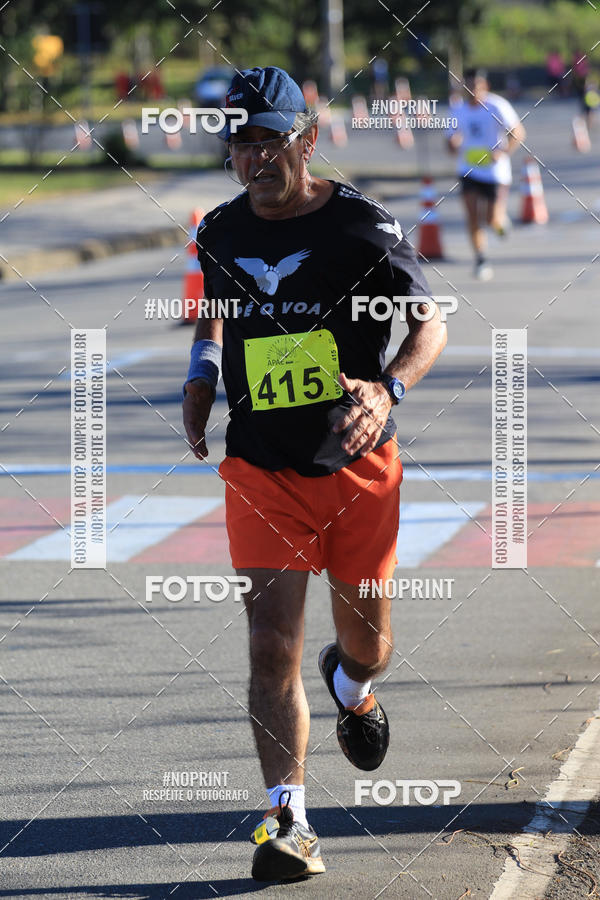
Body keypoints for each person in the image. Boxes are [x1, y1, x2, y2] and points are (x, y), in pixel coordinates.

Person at [182, 65, 447, 882]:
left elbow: (430, 320)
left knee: (370, 643)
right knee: (270, 649)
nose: (257, 158)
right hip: (261, 470)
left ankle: (354, 684)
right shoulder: (221, 231)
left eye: (272, 140)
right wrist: (199, 379)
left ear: (308, 140)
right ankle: (287, 819)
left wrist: (390, 385)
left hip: (357, 469)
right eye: (242, 144)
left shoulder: (363, 227)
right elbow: (214, 316)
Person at [447, 68, 525, 281]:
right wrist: (453, 145)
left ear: (485, 87)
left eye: (476, 86)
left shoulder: (497, 106)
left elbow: (518, 133)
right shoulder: (458, 110)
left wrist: (503, 152)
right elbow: (450, 142)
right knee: (472, 216)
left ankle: (500, 224)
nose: (473, 91)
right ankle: (480, 259)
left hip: (495, 172)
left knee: (491, 219)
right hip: (468, 170)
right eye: (469, 86)